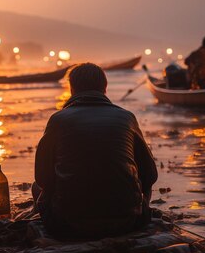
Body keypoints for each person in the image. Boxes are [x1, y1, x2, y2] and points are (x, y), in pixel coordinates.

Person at [33, 62, 158, 239]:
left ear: (72, 90)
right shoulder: (126, 118)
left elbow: (42, 178)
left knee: (35, 188)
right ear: (105, 89)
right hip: (129, 222)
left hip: (67, 226)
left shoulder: (58, 120)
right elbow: (150, 175)